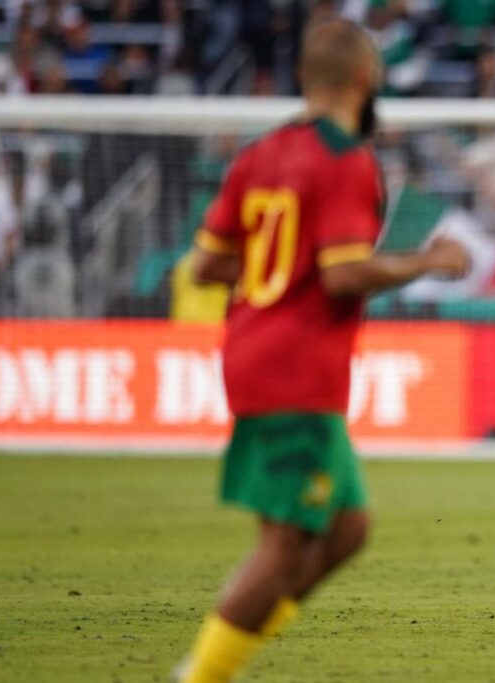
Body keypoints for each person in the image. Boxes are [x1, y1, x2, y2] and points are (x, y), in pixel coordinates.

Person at [175, 17, 468, 683]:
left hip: (255, 351)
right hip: (294, 367)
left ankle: (228, 653)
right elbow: (342, 273)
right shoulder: (345, 160)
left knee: (346, 529)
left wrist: (278, 272)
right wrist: (426, 261)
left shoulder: (259, 154)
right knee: (285, 548)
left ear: (304, 77)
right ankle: (201, 675)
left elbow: (206, 265)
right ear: (367, 79)